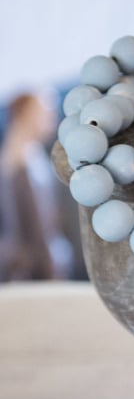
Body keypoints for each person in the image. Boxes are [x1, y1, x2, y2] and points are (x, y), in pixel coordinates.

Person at [0, 90, 75, 280]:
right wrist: (53, 276)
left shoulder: (20, 157)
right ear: (26, 115)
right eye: (45, 110)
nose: (52, 116)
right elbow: (38, 228)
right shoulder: (24, 163)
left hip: (28, 265)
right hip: (34, 269)